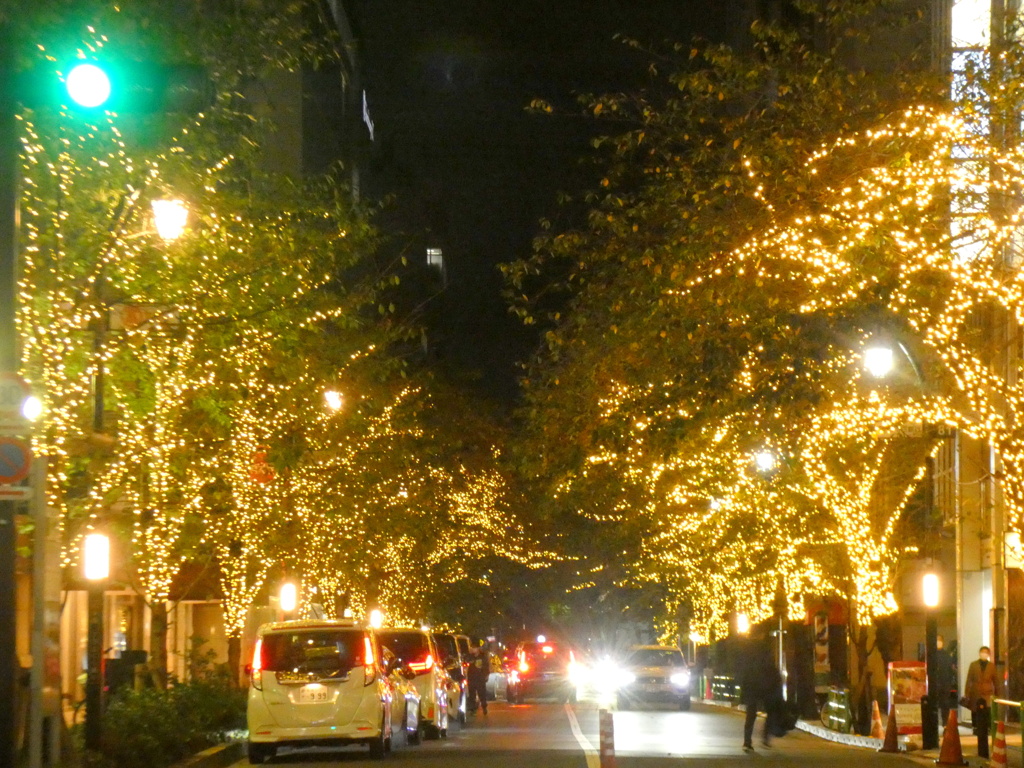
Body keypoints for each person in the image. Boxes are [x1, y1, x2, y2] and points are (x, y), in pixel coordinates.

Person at [737, 631, 783, 751]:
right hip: (766, 686)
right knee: (770, 711)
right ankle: (765, 738)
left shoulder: (746, 650)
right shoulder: (766, 649)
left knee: (751, 714)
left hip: (752, 686)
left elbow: (743, 670)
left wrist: (744, 688)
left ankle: (747, 742)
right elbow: (772, 666)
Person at [964, 645, 1000, 752]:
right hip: (976, 691)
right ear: (979, 653)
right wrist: (967, 692)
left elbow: (996, 681)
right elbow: (969, 679)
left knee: (987, 710)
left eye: (986, 652)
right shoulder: (973, 665)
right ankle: (975, 727)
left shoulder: (991, 666)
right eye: (982, 652)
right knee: (975, 710)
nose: (984, 654)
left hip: (987, 691)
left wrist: (997, 694)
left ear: (988, 654)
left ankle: (987, 727)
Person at [934, 635, 956, 727]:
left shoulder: (947, 655)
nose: (939, 642)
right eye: (937, 640)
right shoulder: (930, 654)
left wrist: (949, 682)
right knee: (933, 705)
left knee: (945, 704)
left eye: (940, 640)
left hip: (945, 684)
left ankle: (945, 723)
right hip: (933, 684)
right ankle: (934, 724)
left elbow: (951, 670)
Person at [467, 639, 490, 715]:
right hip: (471, 678)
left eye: (474, 648)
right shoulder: (470, 657)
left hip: (480, 678)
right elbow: (466, 663)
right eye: (472, 648)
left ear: (478, 649)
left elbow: (486, 666)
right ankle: (473, 709)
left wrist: (486, 675)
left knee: (482, 693)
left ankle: (484, 707)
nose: (473, 649)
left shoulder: (482, 656)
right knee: (472, 694)